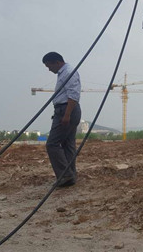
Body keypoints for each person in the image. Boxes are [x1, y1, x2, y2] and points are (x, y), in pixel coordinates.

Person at [42, 52, 82, 188]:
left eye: (49, 66)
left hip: (67, 110)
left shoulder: (68, 72)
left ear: (57, 62)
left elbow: (73, 94)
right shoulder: (63, 73)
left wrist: (67, 115)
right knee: (68, 144)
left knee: (52, 144)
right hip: (66, 110)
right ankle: (70, 175)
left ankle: (65, 176)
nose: (49, 69)